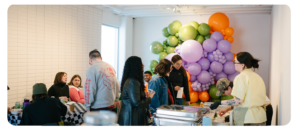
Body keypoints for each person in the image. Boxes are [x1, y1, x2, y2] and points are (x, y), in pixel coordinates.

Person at [210, 52, 267, 127]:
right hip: (261, 118)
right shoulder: (258, 77)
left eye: (235, 62)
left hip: (247, 119)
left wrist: (219, 102)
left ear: (242, 65)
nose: (234, 64)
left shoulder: (241, 77)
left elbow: (238, 101)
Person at [118, 56, 155, 127]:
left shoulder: (133, 81)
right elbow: (137, 103)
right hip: (131, 120)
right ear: (136, 66)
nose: (143, 65)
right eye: (141, 63)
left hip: (132, 118)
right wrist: (149, 98)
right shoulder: (133, 82)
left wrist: (144, 96)